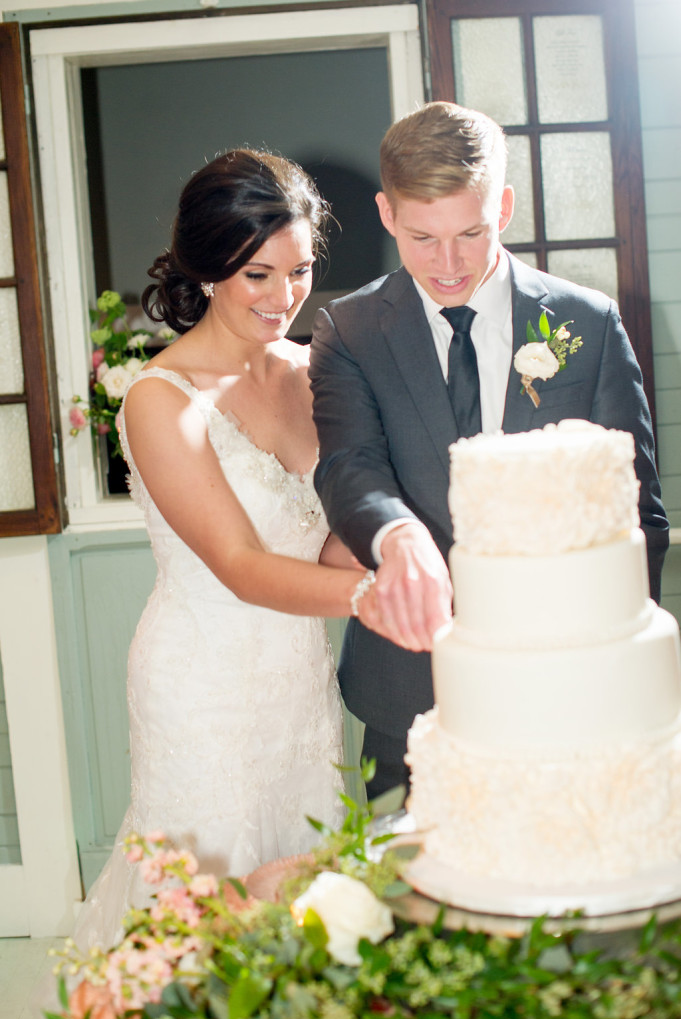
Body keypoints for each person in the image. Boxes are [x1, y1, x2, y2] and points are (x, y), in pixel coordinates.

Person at [70, 148, 384, 954]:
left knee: (304, 894)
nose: (285, 297)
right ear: (208, 269)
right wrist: (375, 597)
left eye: (301, 270)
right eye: (257, 275)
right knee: (209, 919)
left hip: (296, 678)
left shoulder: (317, 370)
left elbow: (333, 537)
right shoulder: (157, 399)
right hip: (202, 687)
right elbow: (242, 568)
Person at [309, 101, 670, 800]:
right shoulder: (348, 330)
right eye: (422, 238)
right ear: (386, 214)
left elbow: (634, 512)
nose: (447, 264)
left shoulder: (584, 323)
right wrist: (394, 536)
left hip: (570, 681)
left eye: (470, 233)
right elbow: (350, 466)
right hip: (410, 686)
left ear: (501, 205)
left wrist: (610, 658)